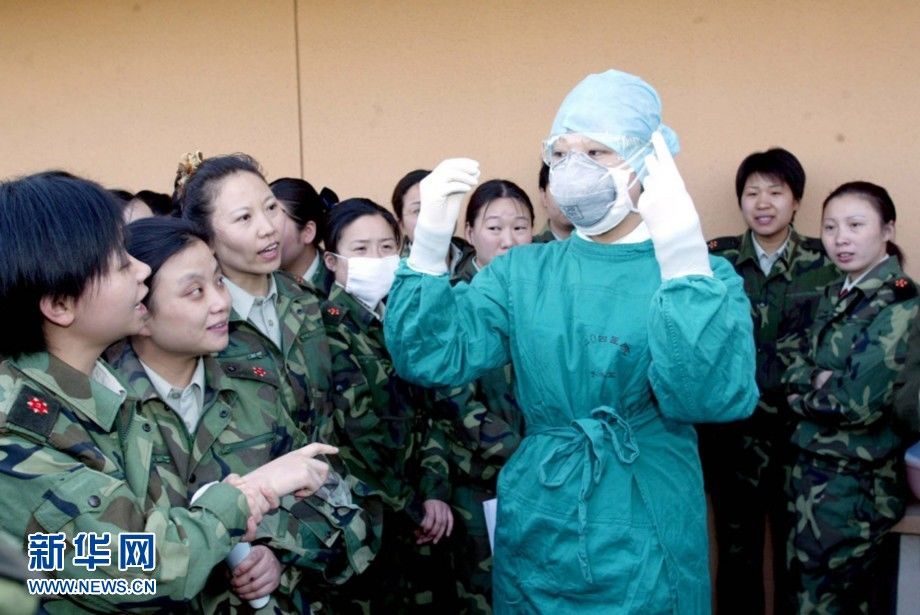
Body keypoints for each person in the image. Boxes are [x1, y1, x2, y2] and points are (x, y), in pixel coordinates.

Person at [384, 68, 758, 613]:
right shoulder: (523, 272)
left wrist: (682, 264)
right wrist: (426, 249)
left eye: (597, 152)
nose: (573, 168)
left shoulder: (705, 277)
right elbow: (427, 356)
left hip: (646, 511)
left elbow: (709, 398)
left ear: (648, 161)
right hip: (542, 509)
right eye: (560, 153)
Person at [0, 171, 331, 613]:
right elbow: (132, 571)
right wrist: (250, 492)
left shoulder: (99, 393)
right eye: (119, 263)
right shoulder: (18, 435)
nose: (140, 269)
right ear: (61, 304)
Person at [108, 216, 379, 612]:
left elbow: (332, 495)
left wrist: (276, 551)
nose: (221, 302)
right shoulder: (105, 409)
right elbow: (97, 558)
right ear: (140, 310)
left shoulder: (255, 387)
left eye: (219, 281)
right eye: (195, 292)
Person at [701, 148, 837, 612]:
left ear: (796, 200)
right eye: (752, 192)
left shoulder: (826, 260)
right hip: (731, 438)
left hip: (798, 436)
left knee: (797, 557)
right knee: (735, 557)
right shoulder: (714, 260)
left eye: (775, 192)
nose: (763, 203)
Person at [782, 181, 918, 613]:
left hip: (853, 488)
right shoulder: (835, 294)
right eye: (830, 227)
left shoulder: (900, 304)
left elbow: (855, 404)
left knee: (830, 604)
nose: (841, 238)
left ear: (887, 230)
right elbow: (793, 369)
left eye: (855, 225)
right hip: (812, 477)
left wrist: (802, 396)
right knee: (805, 595)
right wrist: (817, 380)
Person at [318, 198, 455, 612]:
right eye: (360, 250)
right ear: (331, 260)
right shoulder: (327, 329)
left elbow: (431, 410)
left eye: (386, 248)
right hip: (371, 521)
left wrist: (434, 490)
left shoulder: (399, 320)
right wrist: (412, 505)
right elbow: (360, 433)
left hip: (421, 512)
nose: (376, 260)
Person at [175, 152, 345, 439]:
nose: (268, 228)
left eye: (271, 208)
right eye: (244, 217)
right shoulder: (199, 322)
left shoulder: (305, 298)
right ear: (207, 238)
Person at [445, 179, 531, 613]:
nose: (508, 240)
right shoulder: (454, 298)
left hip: (548, 475)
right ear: (471, 232)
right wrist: (527, 454)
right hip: (481, 480)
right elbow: (456, 401)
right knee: (486, 594)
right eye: (494, 228)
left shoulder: (545, 293)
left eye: (520, 227)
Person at [392, 168, 473, 274]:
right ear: (401, 226)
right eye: (418, 210)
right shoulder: (394, 273)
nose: (431, 216)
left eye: (439, 206)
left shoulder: (480, 261)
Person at [271, 177, 337, 296]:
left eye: (274, 220)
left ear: (308, 232)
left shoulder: (340, 283)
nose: (264, 230)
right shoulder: (253, 280)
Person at [532, 162, 573, 243]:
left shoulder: (599, 245)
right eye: (559, 189)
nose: (568, 199)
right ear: (544, 196)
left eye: (575, 189)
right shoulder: (531, 247)